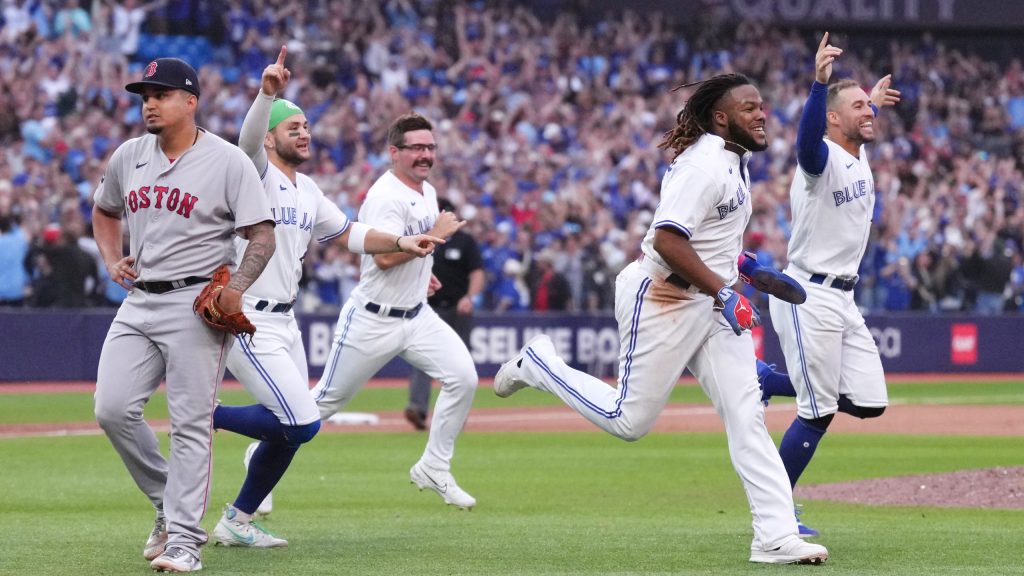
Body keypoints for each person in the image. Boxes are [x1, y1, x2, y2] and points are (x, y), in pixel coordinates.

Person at [494, 73, 828, 565]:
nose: (762, 114)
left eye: (762, 106)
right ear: (721, 118)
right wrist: (721, 288)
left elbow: (707, 237)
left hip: (711, 303)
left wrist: (746, 270)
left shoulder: (732, 160)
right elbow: (669, 241)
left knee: (746, 415)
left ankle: (774, 536)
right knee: (628, 420)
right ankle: (541, 364)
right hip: (663, 297)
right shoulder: (705, 165)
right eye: (750, 107)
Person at [210, 47, 444, 546]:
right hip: (248, 315)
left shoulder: (308, 188)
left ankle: (237, 520)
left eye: (307, 126)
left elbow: (353, 234)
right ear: (271, 137)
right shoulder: (256, 170)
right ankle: (202, 416)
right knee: (301, 420)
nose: (304, 132)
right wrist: (265, 95)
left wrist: (403, 241)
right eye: (292, 126)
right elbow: (246, 139)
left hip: (285, 321)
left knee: (291, 430)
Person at [91, 57, 276, 573]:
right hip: (139, 300)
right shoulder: (129, 156)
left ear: (190, 101)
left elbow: (262, 233)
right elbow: (105, 210)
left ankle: (184, 543)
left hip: (197, 302)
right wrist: (110, 258)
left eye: (161, 93)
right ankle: (165, 505)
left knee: (190, 424)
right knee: (111, 408)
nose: (148, 102)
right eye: (144, 94)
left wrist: (238, 286)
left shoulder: (228, 160)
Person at [766, 33, 900, 537]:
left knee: (869, 402)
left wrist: (870, 109)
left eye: (870, 104)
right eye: (859, 106)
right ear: (832, 118)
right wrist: (820, 85)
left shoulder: (855, 151)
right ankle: (775, 511)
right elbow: (807, 144)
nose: (868, 111)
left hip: (843, 297)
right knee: (817, 412)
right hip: (808, 294)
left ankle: (768, 380)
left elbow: (855, 131)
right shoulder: (819, 156)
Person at [311, 112, 478, 509]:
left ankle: (434, 466)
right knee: (320, 405)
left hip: (416, 314)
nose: (425, 154)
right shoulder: (386, 195)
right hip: (373, 317)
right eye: (416, 148)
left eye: (430, 147)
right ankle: (260, 454)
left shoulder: (427, 191)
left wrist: (426, 273)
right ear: (394, 152)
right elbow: (384, 258)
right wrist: (435, 237)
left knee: (464, 378)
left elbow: (412, 252)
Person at [404, 196, 485, 431]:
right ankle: (418, 409)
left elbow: (477, 272)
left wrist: (470, 297)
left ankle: (457, 415)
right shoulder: (426, 239)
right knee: (422, 357)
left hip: (458, 309)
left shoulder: (465, 242)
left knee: (460, 362)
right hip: (429, 309)